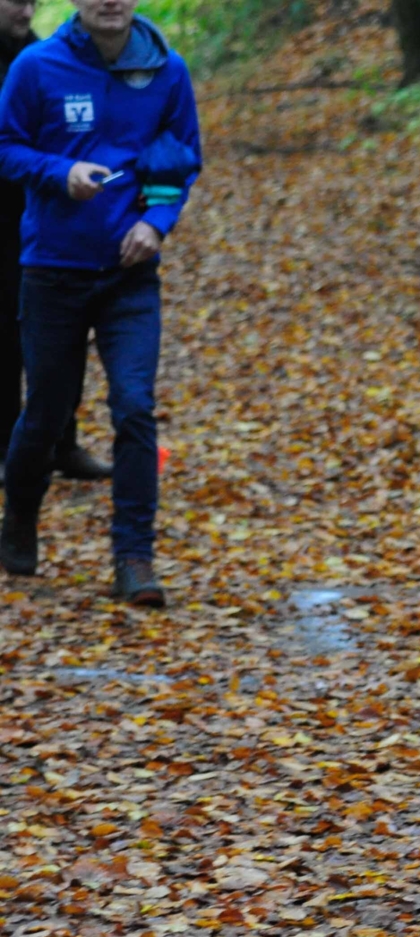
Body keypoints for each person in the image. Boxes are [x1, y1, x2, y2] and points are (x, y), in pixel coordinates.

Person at [0, 0, 199, 605]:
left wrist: (157, 222)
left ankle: (133, 559)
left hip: (129, 275)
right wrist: (60, 173)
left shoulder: (168, 70)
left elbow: (180, 159)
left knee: (135, 408)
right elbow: (6, 147)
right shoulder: (37, 66)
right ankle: (19, 519)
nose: (110, 1)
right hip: (53, 272)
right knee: (48, 413)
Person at [0, 0, 110, 483]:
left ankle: (62, 442)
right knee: (6, 335)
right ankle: (9, 447)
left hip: (45, 214)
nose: (25, 9)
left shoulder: (45, 56)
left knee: (62, 332)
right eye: (15, 1)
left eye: (32, 1)